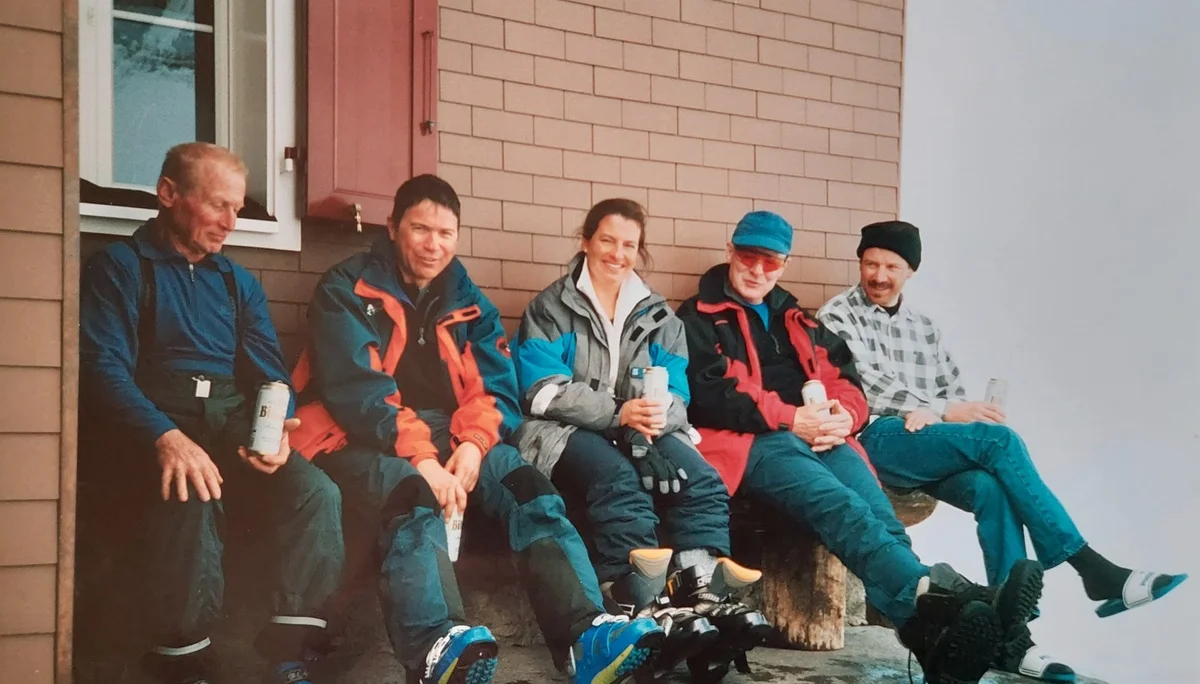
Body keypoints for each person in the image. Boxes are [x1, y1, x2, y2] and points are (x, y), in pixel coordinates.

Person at [288, 175, 664, 684]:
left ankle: (585, 635)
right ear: (393, 226)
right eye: (420, 228)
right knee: (415, 493)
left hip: (447, 431)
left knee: (528, 487)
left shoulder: (468, 300)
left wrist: (474, 445)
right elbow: (360, 393)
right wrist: (424, 459)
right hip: (350, 432)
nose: (433, 243)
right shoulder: (346, 289)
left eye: (446, 232)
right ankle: (433, 647)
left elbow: (494, 390)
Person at [675, 210, 1050, 684]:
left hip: (825, 437)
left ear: (784, 264)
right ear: (731, 252)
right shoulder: (698, 318)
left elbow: (848, 382)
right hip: (757, 443)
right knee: (841, 507)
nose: (758, 270)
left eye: (770, 262)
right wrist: (793, 418)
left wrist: (841, 418)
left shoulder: (799, 320)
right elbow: (711, 393)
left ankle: (928, 637)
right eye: (749, 257)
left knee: (881, 517)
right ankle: (949, 599)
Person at [816, 220, 1190, 682]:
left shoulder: (924, 328)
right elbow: (863, 385)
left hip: (924, 442)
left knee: (990, 488)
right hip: (876, 438)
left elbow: (950, 389)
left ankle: (1012, 636)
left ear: (910, 270)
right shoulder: (837, 315)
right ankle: (1090, 567)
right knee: (1001, 441)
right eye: (870, 263)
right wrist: (936, 408)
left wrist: (937, 412)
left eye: (891, 265)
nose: (878, 275)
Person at [78, 142, 346, 684]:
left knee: (316, 491)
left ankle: (289, 650)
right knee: (192, 489)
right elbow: (102, 369)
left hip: (226, 420)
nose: (230, 222)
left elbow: (271, 374)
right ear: (168, 194)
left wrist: (274, 433)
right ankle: (185, 661)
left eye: (238, 209)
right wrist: (164, 436)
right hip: (151, 422)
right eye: (217, 205)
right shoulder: (121, 268)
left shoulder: (236, 283)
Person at [511, 198, 770, 679]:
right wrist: (619, 416)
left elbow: (677, 393)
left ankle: (698, 596)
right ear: (586, 241)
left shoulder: (658, 316)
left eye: (629, 244)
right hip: (562, 431)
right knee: (618, 480)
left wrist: (646, 421)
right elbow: (543, 392)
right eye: (607, 240)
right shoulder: (550, 308)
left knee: (702, 480)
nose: (617, 253)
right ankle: (634, 604)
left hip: (639, 430)